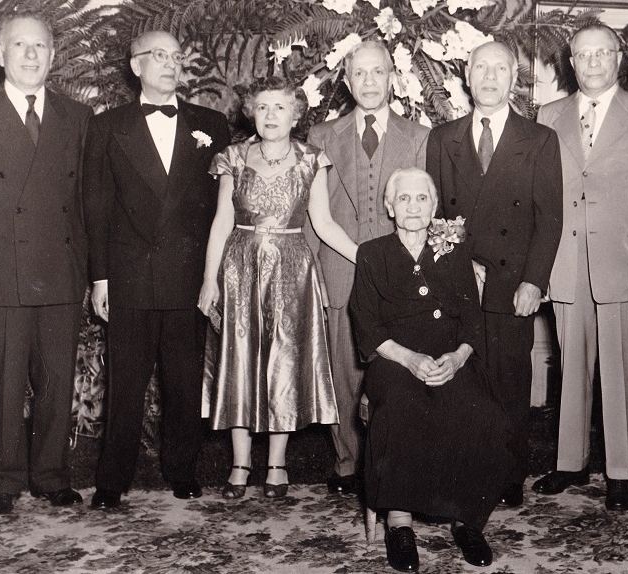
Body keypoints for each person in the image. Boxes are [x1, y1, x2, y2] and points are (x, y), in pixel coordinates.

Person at [0, 14, 91, 515]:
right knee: (3, 379)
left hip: (61, 269)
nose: (31, 55)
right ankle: (2, 480)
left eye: (41, 46)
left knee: (56, 380)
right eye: (19, 45)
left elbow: (85, 200)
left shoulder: (78, 116)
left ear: (53, 55)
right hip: (0, 271)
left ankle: (52, 475)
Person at [83, 30, 230, 509]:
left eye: (175, 57)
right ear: (135, 65)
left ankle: (182, 470)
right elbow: (98, 206)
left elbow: (221, 209)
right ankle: (112, 479)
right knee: (125, 382)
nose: (169, 64)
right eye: (158, 56)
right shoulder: (107, 126)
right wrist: (100, 277)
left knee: (184, 379)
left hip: (187, 274)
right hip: (130, 273)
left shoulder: (211, 124)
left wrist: (213, 274)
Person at [198, 76, 358, 499]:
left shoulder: (311, 159)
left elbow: (323, 225)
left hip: (291, 268)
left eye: (281, 107)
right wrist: (208, 280)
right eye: (263, 107)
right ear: (251, 111)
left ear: (297, 114)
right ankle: (239, 465)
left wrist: (368, 258)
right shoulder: (233, 157)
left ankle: (276, 465)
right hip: (239, 267)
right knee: (240, 359)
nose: (271, 115)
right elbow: (221, 223)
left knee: (283, 360)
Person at [532, 23, 628, 511]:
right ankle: (570, 462)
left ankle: (619, 472)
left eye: (601, 54)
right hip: (565, 262)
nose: (591, 64)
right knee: (571, 367)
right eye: (582, 55)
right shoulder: (548, 114)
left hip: (621, 263)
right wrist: (540, 267)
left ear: (618, 58)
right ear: (571, 62)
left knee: (617, 370)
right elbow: (540, 197)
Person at [350, 168, 513, 572]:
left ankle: (466, 519)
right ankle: (399, 521)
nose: (412, 206)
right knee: (403, 404)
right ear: (389, 207)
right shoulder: (372, 254)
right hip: (394, 358)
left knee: (479, 408)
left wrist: (457, 358)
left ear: (434, 206)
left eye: (421, 198)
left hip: (450, 356)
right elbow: (367, 326)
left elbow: (473, 321)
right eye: (402, 199)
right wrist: (410, 359)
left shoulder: (454, 251)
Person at [425, 41, 563, 507]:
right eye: (480, 67)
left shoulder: (539, 139)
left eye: (499, 69)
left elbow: (550, 219)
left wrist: (534, 281)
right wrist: (457, 273)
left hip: (512, 284)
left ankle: (508, 476)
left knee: (509, 380)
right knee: (462, 380)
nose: (489, 77)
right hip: (461, 282)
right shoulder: (442, 139)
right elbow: (436, 217)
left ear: (513, 77)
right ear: (467, 74)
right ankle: (463, 470)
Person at [307, 40, 429, 496]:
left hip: (397, 276)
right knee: (343, 372)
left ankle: (392, 466)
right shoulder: (322, 136)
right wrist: (311, 275)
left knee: (394, 372)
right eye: (360, 74)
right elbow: (311, 215)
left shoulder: (418, 137)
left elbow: (425, 212)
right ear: (347, 80)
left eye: (378, 72)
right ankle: (347, 464)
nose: (370, 82)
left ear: (392, 78)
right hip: (339, 271)